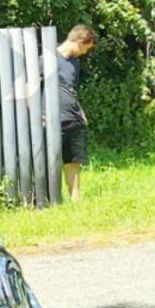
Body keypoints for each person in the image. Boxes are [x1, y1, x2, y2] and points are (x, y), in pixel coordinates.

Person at [56, 23, 97, 201]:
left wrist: (81, 112)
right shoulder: (46, 59)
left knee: (73, 160)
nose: (85, 53)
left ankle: (76, 200)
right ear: (80, 41)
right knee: (47, 161)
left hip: (73, 118)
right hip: (50, 119)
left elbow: (71, 89)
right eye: (86, 48)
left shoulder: (74, 64)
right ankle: (47, 199)